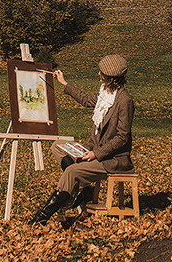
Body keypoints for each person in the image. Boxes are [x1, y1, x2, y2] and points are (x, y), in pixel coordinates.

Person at [29, 53, 134, 226]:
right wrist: (64, 83)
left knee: (71, 172)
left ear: (109, 77)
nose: (98, 75)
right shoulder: (106, 93)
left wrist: (96, 154)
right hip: (93, 148)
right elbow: (86, 100)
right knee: (58, 146)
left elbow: (122, 137)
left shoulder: (124, 101)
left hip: (112, 159)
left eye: (101, 73)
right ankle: (80, 192)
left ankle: (41, 217)